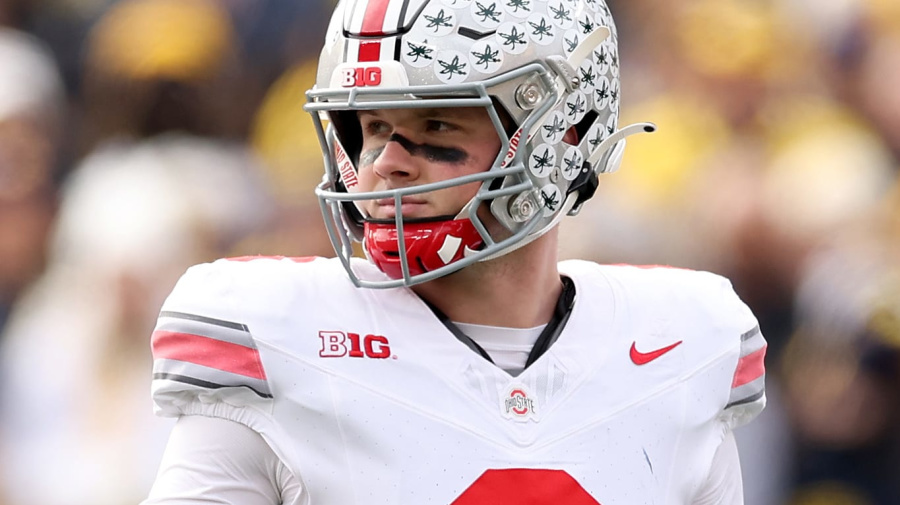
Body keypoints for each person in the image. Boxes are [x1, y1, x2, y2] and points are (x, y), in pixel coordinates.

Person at [142, 0, 767, 503]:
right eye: (375, 128)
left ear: (563, 137)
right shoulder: (275, 334)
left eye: (437, 125)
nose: (387, 165)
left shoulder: (682, 342)